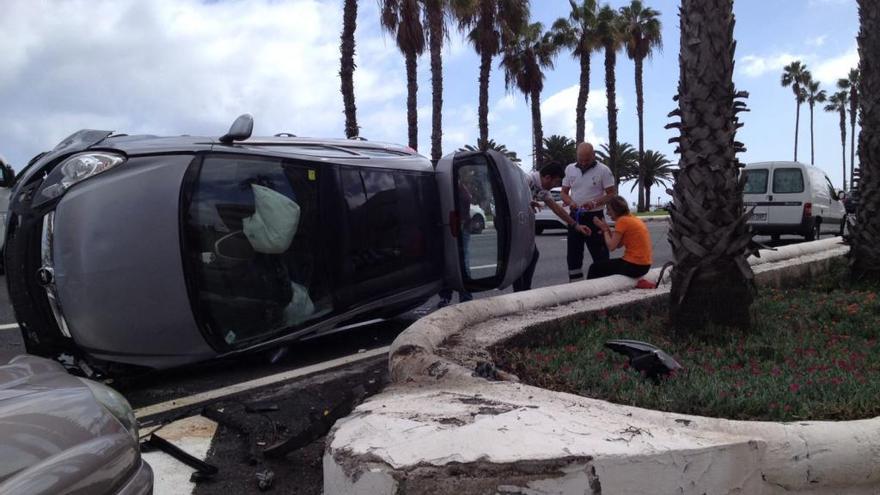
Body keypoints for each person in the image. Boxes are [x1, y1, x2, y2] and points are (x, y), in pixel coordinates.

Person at [513, 163, 591, 292]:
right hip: (512, 225)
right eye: (555, 182)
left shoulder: (542, 189)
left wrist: (575, 225)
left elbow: (556, 208)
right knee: (524, 257)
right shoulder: (527, 180)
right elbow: (512, 196)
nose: (554, 186)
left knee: (531, 255)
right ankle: (521, 291)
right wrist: (527, 203)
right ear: (547, 177)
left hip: (521, 225)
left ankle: (523, 290)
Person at [561, 142, 617, 282]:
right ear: (577, 156)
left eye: (587, 159)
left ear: (594, 155)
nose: (584, 162)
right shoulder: (570, 169)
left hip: (595, 217)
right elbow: (563, 193)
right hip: (576, 216)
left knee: (600, 254)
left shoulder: (603, 170)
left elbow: (611, 194)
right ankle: (575, 285)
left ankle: (603, 284)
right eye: (581, 159)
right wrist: (570, 202)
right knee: (573, 255)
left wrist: (594, 203)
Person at [588, 195, 652, 279]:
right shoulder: (632, 218)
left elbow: (611, 247)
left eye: (609, 210)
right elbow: (618, 244)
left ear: (616, 210)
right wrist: (607, 228)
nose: (607, 213)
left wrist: (605, 230)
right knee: (605, 267)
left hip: (634, 266)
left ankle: (591, 291)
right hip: (645, 266)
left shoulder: (622, 221)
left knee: (595, 268)